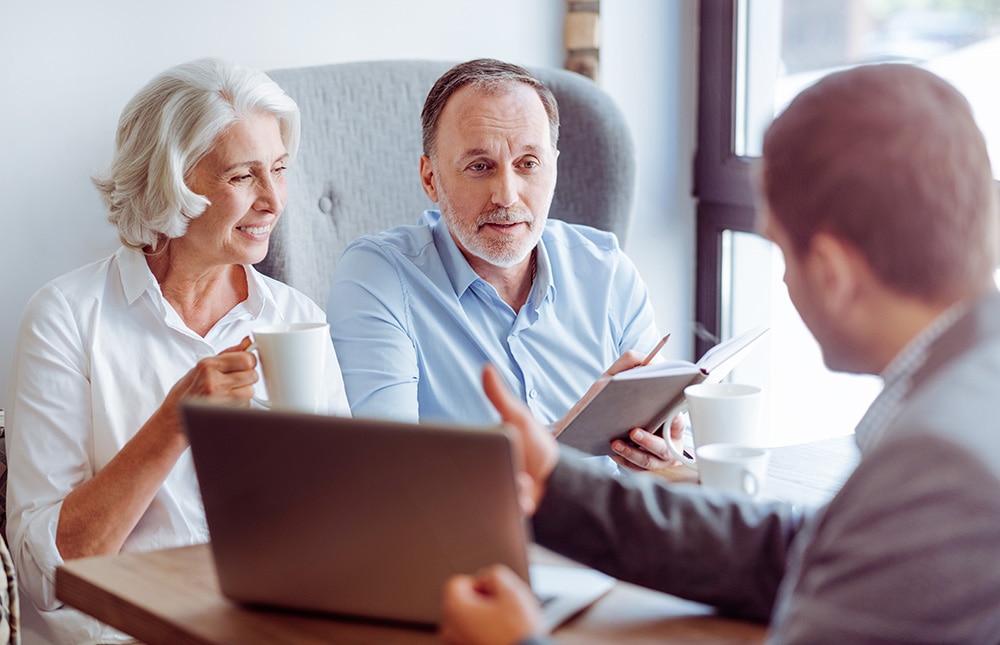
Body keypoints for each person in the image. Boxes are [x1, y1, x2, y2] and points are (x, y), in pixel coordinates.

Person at [438, 63, 1000, 643]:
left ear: (832, 273)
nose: (783, 282)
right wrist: (558, 486)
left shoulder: (940, 463)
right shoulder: (973, 386)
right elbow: (801, 551)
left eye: (781, 252)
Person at [5, 58, 349, 644]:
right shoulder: (66, 318)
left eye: (281, 170)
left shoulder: (297, 320)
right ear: (172, 183)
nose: (273, 200)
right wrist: (174, 422)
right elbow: (48, 573)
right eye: (244, 176)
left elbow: (346, 523)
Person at [327, 58, 679, 470]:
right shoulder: (378, 276)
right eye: (480, 167)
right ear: (430, 178)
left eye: (528, 164)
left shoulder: (606, 269)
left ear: (554, 168)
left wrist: (662, 451)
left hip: (611, 529)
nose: (507, 196)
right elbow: (391, 469)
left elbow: (669, 454)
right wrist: (574, 433)